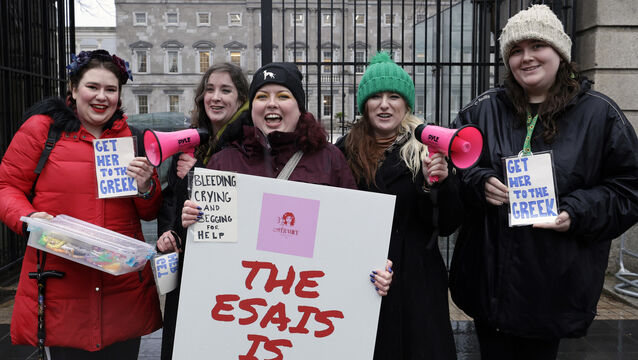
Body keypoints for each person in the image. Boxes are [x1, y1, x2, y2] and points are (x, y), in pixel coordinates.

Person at [449, 4, 638, 359]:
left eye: (537, 46)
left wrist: (576, 212)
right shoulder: (481, 110)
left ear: (560, 53)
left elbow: (629, 190)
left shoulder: (600, 114)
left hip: (555, 290)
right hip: (489, 287)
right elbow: (453, 169)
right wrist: (479, 181)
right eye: (516, 50)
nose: (526, 58)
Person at [0, 50, 162, 359]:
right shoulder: (42, 130)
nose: (101, 97)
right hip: (62, 282)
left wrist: (145, 187)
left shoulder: (133, 138)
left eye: (111, 90)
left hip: (121, 289)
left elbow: (149, 211)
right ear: (74, 89)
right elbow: (6, 186)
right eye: (92, 87)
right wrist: (29, 218)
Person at [180, 61, 392, 290]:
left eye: (283, 96)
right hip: (244, 301)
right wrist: (193, 221)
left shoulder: (329, 159)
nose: (272, 104)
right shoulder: (223, 162)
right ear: (251, 107)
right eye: (262, 97)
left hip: (309, 297)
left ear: (299, 107)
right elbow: (209, 250)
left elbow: (355, 230)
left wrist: (373, 267)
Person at [336, 52, 462, 359]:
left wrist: (441, 184)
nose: (384, 104)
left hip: (417, 280)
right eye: (375, 96)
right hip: (363, 277)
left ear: (406, 104)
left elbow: (446, 224)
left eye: (394, 96)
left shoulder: (428, 151)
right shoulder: (343, 151)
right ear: (364, 105)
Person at [155, 62, 251, 360]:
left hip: (227, 270)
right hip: (188, 267)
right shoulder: (191, 142)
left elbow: (244, 202)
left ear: (240, 99)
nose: (215, 97)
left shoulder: (249, 143)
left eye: (225, 90)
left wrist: (200, 174)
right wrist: (168, 235)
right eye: (209, 90)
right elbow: (170, 203)